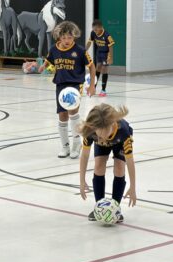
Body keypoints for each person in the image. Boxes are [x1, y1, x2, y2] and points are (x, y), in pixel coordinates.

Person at [39, 21, 96, 159]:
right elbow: (49, 60)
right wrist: (42, 66)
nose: (66, 40)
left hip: (75, 85)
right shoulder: (54, 49)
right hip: (60, 85)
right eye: (64, 38)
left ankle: (76, 144)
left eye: (69, 38)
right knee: (62, 116)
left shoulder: (80, 51)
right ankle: (65, 147)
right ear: (59, 37)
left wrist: (92, 85)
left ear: (74, 37)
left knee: (73, 113)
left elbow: (92, 67)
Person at [79, 103, 137, 223]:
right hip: (102, 146)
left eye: (106, 135)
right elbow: (84, 156)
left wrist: (133, 187)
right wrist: (81, 180)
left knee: (120, 168)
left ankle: (116, 208)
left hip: (119, 143)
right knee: (99, 166)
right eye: (100, 136)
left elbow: (130, 162)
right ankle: (99, 207)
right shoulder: (91, 130)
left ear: (113, 124)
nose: (103, 139)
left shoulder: (124, 131)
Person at [86, 19, 115, 97]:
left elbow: (111, 46)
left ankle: (103, 90)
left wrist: (111, 57)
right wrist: (84, 50)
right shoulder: (93, 33)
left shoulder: (106, 35)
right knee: (98, 68)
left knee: (104, 69)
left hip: (106, 54)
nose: (95, 31)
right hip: (99, 53)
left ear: (101, 27)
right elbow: (89, 42)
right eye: (93, 29)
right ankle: (93, 88)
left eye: (96, 29)